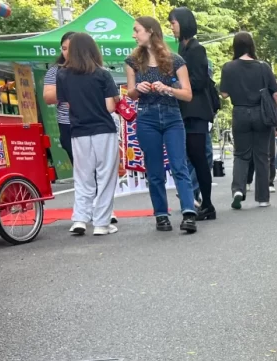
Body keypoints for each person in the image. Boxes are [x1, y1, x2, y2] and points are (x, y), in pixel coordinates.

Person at [125, 17, 197, 233]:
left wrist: (168, 89)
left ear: (150, 31)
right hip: (146, 117)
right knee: (154, 169)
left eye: (137, 30)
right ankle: (161, 214)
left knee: (179, 165)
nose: (134, 35)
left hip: (172, 115)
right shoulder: (132, 62)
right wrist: (140, 88)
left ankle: (188, 212)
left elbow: (187, 94)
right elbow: (130, 93)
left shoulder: (175, 60)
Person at [58, 33, 121, 237]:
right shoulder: (102, 74)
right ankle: (102, 222)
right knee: (105, 176)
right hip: (103, 129)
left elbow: (67, 103)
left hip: (78, 131)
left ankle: (79, 218)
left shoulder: (63, 75)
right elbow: (110, 107)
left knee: (83, 177)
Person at [219, 32, 277, 208]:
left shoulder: (228, 67)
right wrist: (276, 114)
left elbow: (224, 94)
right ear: (252, 45)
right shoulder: (263, 67)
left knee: (240, 154)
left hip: (240, 113)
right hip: (261, 114)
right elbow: (275, 93)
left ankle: (238, 188)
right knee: (262, 155)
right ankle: (263, 198)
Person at [169, 7, 216, 222]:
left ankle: (207, 203)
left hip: (196, 110)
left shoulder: (196, 49)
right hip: (185, 109)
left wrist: (175, 83)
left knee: (198, 158)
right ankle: (197, 201)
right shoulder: (182, 47)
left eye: (174, 22)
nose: (171, 26)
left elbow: (199, 81)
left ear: (184, 23)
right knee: (191, 157)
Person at [42, 32, 76, 170]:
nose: (67, 52)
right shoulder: (55, 71)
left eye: (71, 49)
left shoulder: (95, 69)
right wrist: (69, 88)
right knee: (80, 168)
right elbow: (48, 98)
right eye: (64, 48)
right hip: (68, 125)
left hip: (94, 123)